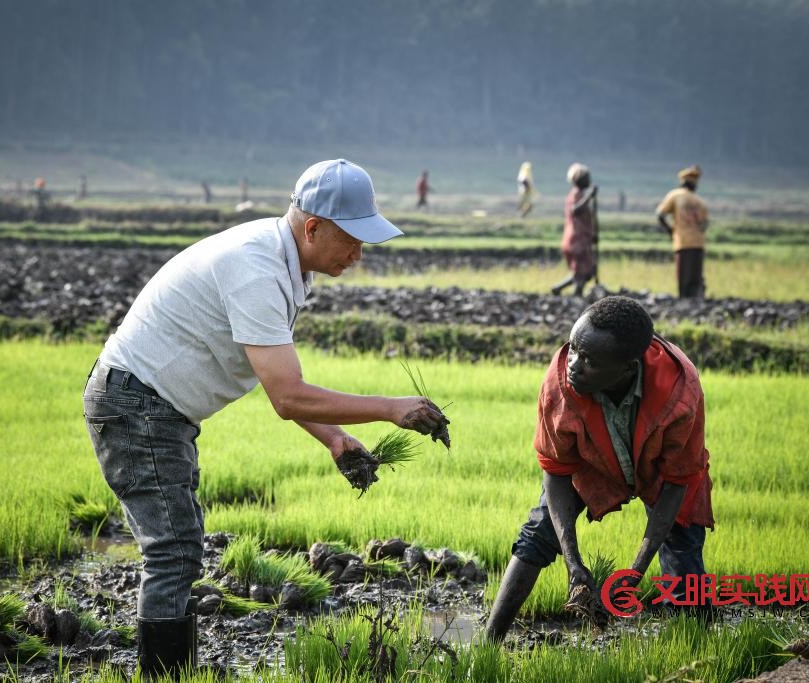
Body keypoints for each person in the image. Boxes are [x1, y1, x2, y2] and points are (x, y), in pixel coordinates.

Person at [83, 159, 451, 678]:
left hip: (156, 409)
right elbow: (288, 395)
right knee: (173, 552)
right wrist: (391, 409)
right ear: (314, 227)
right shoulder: (256, 267)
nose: (358, 254)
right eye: (352, 239)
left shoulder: (286, 265)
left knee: (178, 549)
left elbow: (268, 374)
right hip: (137, 405)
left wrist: (335, 439)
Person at [484, 296, 714, 642]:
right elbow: (557, 470)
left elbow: (677, 481)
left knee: (684, 570)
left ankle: (697, 649)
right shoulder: (560, 383)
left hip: (660, 471)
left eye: (589, 360)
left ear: (627, 368)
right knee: (539, 531)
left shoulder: (679, 392)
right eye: (574, 349)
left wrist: (634, 574)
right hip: (593, 462)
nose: (574, 364)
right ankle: (488, 642)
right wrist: (573, 562)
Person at [656, 165, 709, 299]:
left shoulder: (675, 195)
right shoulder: (699, 201)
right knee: (695, 276)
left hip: (683, 241)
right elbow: (704, 224)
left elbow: (660, 215)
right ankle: (695, 302)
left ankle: (683, 301)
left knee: (683, 277)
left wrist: (671, 231)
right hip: (699, 243)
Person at [550, 163, 597, 297]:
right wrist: (589, 196)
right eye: (587, 178)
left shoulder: (580, 195)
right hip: (576, 240)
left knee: (583, 273)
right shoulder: (576, 195)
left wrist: (591, 235)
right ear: (579, 180)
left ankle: (559, 289)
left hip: (581, 238)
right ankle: (576, 297)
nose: (589, 181)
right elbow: (575, 210)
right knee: (581, 273)